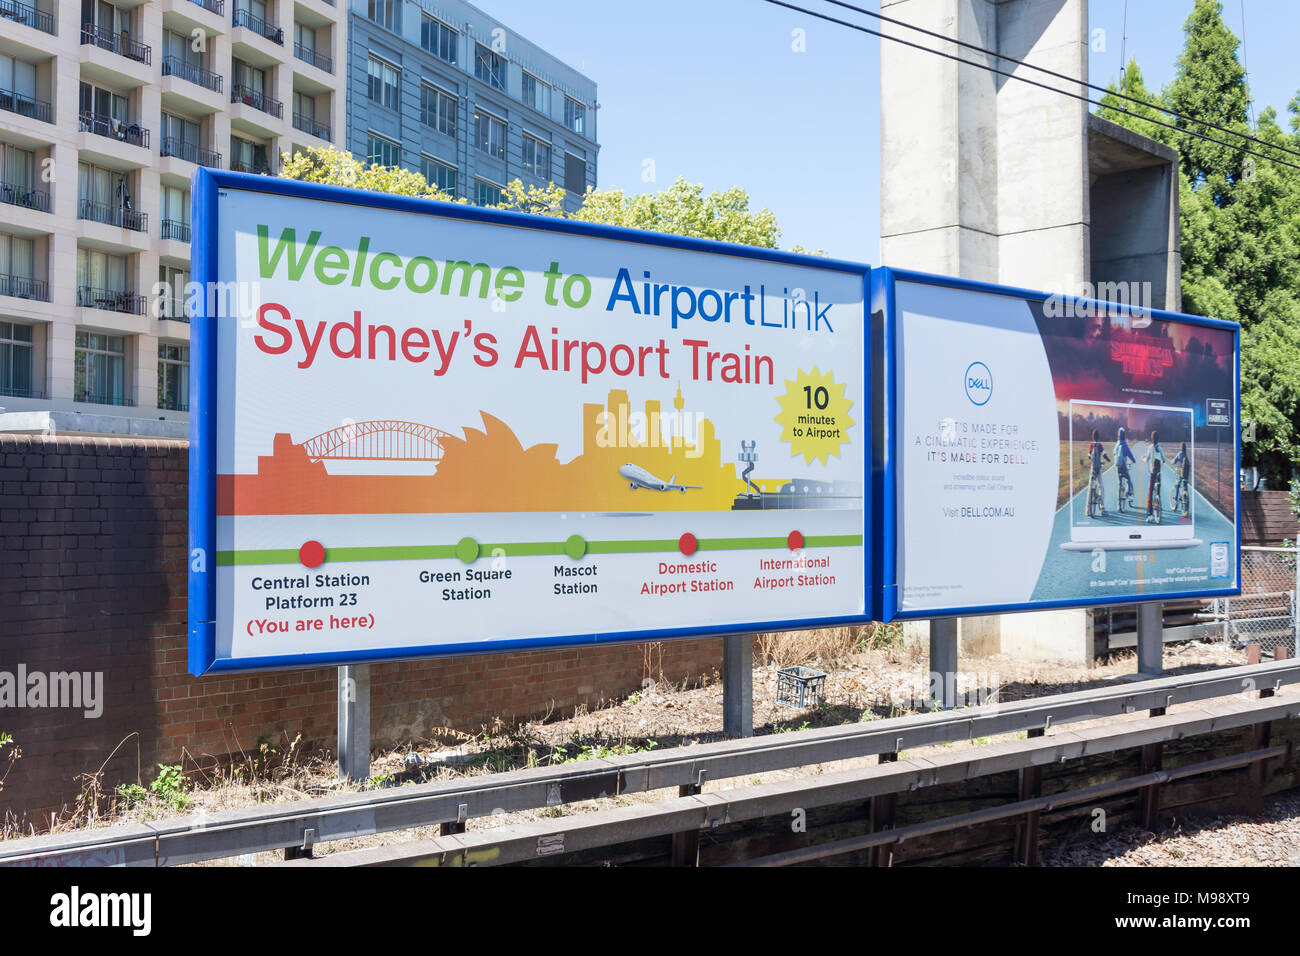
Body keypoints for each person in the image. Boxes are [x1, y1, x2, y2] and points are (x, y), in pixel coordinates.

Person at [1084, 428, 1110, 517]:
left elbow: (1088, 456)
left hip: (1092, 469)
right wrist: (1108, 459)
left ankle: (1087, 510)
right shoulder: (1100, 445)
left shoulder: (1091, 445)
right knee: (1101, 487)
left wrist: (1091, 457)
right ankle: (1102, 509)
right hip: (1098, 469)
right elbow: (1104, 455)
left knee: (1090, 488)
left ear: (1092, 436)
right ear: (1098, 437)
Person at [1143, 429, 1165, 523]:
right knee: (1158, 492)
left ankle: (1149, 514)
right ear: (1158, 439)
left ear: (1151, 439)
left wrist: (1142, 459)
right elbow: (1163, 460)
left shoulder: (1150, 448)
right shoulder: (1160, 448)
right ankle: (1159, 508)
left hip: (1152, 473)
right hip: (1158, 473)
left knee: (1150, 493)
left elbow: (1146, 459)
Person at [1114, 426, 1136, 511]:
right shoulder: (1124, 445)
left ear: (1118, 436)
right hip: (1124, 467)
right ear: (1124, 436)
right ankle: (1129, 494)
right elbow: (1130, 455)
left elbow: (1113, 453)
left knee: (1119, 484)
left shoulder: (1116, 445)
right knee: (1129, 480)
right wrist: (1134, 460)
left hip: (1118, 467)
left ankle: (1119, 505)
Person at [1171, 441, 1191, 514]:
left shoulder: (1180, 454)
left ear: (1180, 447)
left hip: (1181, 472)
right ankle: (1185, 499)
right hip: (1186, 473)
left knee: (1178, 485)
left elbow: (1174, 461)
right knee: (1185, 485)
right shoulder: (1186, 455)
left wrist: (1171, 462)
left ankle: (1176, 500)